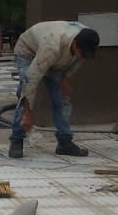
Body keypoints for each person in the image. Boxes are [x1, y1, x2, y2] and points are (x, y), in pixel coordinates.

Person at [9, 22, 100, 158]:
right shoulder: (51, 47)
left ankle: (65, 142)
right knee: (25, 95)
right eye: (82, 53)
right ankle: (17, 139)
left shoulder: (86, 41)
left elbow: (78, 61)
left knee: (62, 99)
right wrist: (28, 113)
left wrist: (65, 77)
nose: (82, 57)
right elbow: (31, 82)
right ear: (74, 44)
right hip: (29, 53)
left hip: (56, 59)